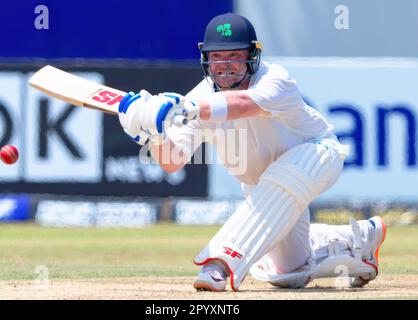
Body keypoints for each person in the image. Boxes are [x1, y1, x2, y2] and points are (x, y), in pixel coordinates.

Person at [117, 13, 387, 292]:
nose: (225, 65)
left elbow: (243, 104)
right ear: (206, 58)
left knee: (281, 178)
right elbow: (173, 162)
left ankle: (221, 263)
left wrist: (185, 109)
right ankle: (359, 240)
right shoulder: (194, 100)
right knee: (289, 274)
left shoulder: (275, 80)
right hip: (265, 193)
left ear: (252, 56)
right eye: (217, 57)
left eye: (235, 55)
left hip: (317, 155)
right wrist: (155, 134)